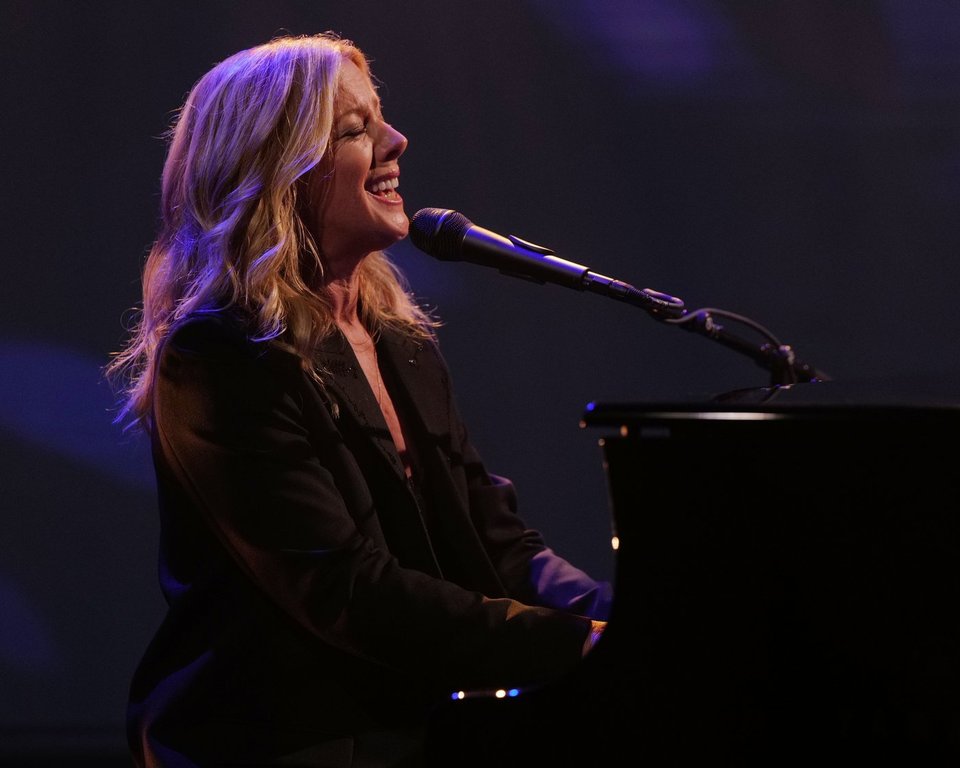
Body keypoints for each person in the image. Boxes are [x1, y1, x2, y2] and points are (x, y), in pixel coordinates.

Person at [109, 32, 612, 767]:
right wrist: (576, 642)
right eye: (355, 129)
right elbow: (344, 588)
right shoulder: (221, 355)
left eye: (381, 118)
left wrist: (612, 616)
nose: (396, 142)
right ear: (277, 170)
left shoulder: (397, 340)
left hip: (416, 719)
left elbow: (495, 539)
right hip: (288, 740)